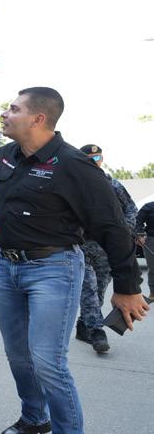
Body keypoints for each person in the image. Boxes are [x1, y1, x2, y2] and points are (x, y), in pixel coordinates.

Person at [0, 87, 147, 434]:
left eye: (13, 109)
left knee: (48, 363)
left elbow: (112, 227)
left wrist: (127, 288)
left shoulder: (74, 165)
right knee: (18, 355)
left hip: (54, 269)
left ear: (38, 119)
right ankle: (35, 417)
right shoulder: (7, 156)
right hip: (8, 270)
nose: (6, 113)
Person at [74, 144, 138, 354]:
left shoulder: (113, 184)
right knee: (89, 288)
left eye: (97, 157)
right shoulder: (74, 185)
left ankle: (83, 325)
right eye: (89, 158)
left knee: (99, 290)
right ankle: (97, 331)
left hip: (106, 248)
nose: (95, 162)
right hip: (82, 246)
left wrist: (123, 232)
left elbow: (131, 208)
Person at [136, 200, 154, 299]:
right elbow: (137, 221)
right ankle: (153, 293)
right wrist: (140, 235)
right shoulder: (149, 207)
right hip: (152, 240)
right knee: (153, 267)